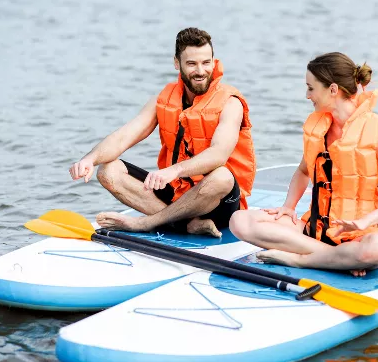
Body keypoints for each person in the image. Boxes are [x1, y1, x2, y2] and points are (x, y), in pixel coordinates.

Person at [229, 52, 378, 276]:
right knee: (240, 221)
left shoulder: (374, 131)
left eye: (311, 88)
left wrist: (364, 222)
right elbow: (303, 171)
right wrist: (288, 207)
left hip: (363, 234)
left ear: (333, 90)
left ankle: (299, 260)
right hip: (317, 229)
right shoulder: (318, 128)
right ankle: (336, 258)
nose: (307, 95)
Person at [69, 28, 256, 238]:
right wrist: (90, 159)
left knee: (222, 176)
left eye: (206, 62)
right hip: (177, 194)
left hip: (218, 200)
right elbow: (125, 136)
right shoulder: (164, 99)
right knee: (108, 170)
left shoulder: (231, 103)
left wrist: (174, 171)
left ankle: (147, 223)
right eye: (192, 64)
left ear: (214, 61)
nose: (201, 71)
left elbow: (219, 154)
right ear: (177, 63)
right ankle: (188, 224)